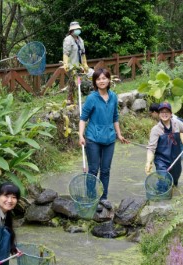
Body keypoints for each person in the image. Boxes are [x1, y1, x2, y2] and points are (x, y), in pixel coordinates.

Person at [79, 68, 128, 212]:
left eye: (104, 78)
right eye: (98, 79)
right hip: (93, 138)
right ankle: (91, 198)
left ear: (108, 80)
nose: (102, 81)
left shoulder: (113, 96)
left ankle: (103, 198)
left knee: (105, 170)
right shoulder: (91, 98)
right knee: (93, 170)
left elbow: (115, 118)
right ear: (95, 81)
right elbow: (83, 118)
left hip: (109, 139)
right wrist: (80, 135)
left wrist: (119, 134)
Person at [145, 102, 183, 187]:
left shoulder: (177, 123)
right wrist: (148, 162)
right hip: (161, 161)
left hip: (176, 160)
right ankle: (161, 198)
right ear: (159, 114)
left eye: (167, 112)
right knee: (164, 184)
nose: (164, 114)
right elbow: (151, 148)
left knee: (174, 183)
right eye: (162, 112)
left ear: (171, 113)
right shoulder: (155, 130)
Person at [62, 21, 89, 104]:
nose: (77, 30)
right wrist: (65, 63)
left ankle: (76, 99)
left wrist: (85, 64)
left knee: (79, 82)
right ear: (71, 30)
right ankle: (70, 100)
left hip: (79, 65)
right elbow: (66, 53)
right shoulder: (68, 39)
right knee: (73, 82)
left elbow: (83, 53)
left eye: (78, 29)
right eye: (75, 29)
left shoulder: (80, 40)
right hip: (72, 65)